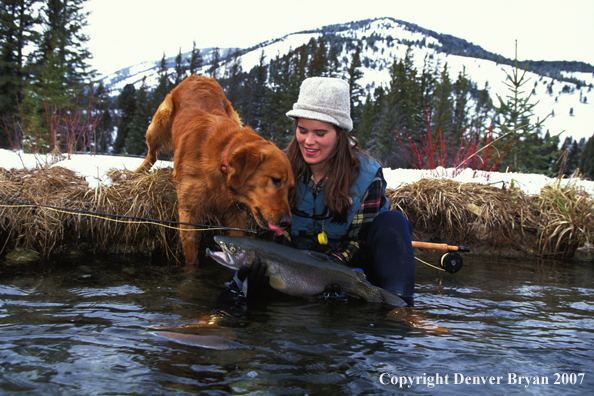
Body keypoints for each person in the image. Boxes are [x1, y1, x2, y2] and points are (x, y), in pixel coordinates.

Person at [237, 77, 415, 306]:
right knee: (246, 279)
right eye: (302, 130)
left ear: (340, 134)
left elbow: (359, 240)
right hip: (292, 271)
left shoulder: (369, 175)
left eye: (320, 133)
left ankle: (403, 309)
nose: (308, 141)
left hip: (351, 272)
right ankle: (219, 318)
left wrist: (330, 267)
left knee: (394, 222)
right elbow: (274, 231)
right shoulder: (280, 169)